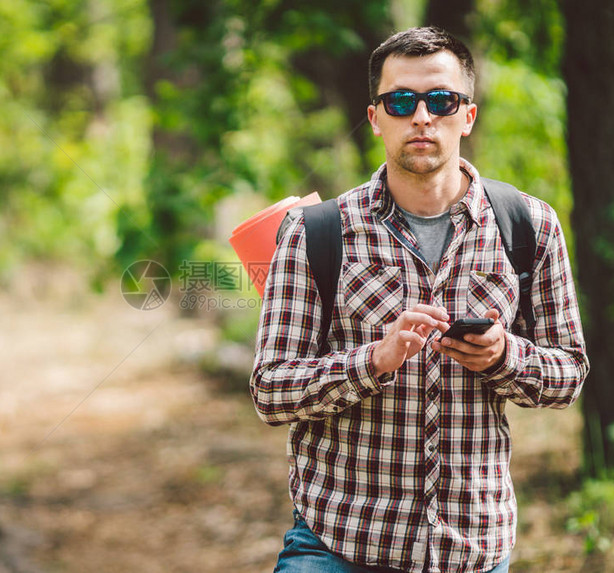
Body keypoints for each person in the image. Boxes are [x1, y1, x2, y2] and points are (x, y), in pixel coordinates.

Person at [250, 27, 589, 573]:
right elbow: (270, 390)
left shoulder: (530, 225)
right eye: (401, 101)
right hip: (340, 541)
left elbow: (570, 374)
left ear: (467, 116)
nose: (422, 117)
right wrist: (374, 361)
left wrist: (506, 358)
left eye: (442, 100)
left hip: (471, 545)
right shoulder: (314, 231)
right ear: (376, 117)